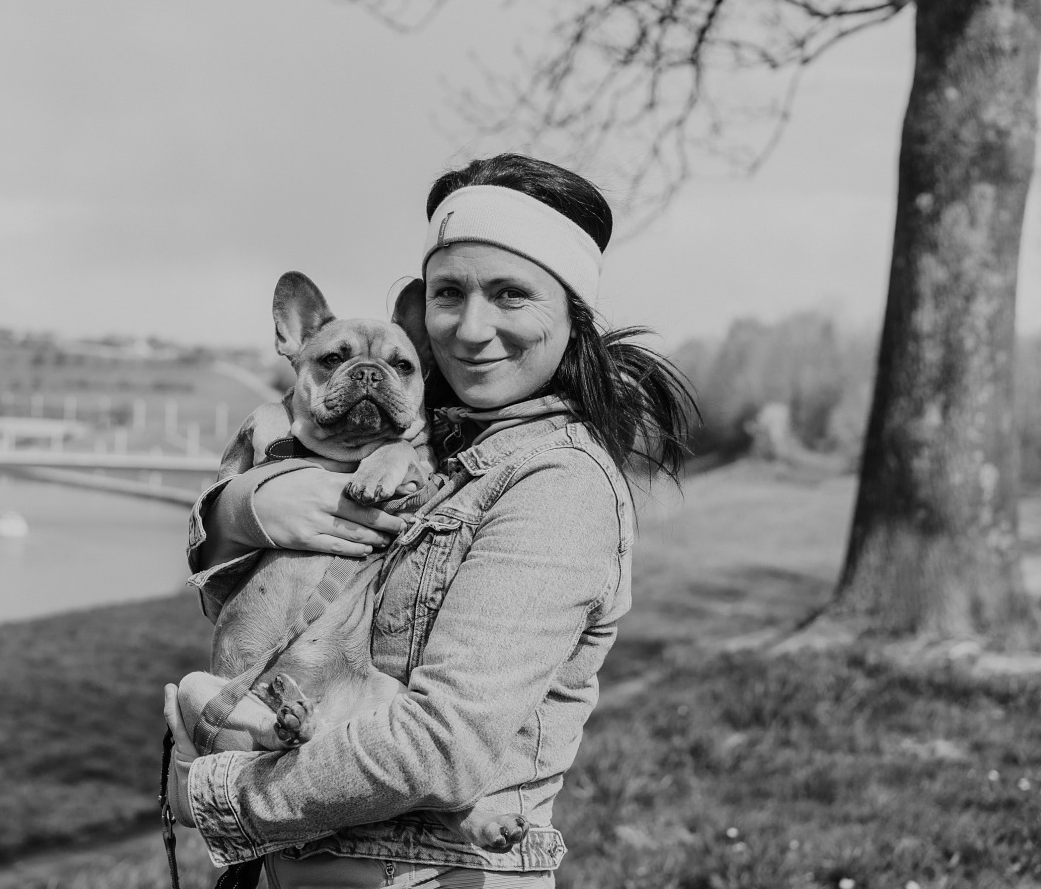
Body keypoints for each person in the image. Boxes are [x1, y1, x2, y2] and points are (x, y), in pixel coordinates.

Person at [163, 153, 693, 888]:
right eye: (450, 294)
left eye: (511, 295)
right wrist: (241, 507)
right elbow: (237, 595)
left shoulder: (557, 484)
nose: (472, 328)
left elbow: (440, 748)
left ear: (572, 312)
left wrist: (213, 793)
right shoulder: (444, 448)